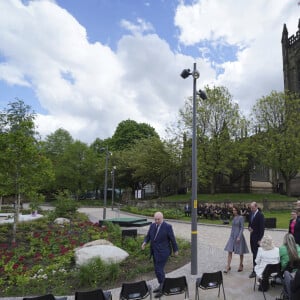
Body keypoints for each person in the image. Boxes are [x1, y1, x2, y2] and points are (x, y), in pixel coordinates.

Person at [141, 212, 178, 297]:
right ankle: (162, 284)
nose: (157, 221)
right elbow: (148, 236)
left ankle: (162, 288)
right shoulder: (152, 226)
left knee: (159, 269)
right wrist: (144, 242)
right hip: (154, 251)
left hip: (163, 252)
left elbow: (172, 239)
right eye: (155, 219)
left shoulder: (168, 227)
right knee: (157, 269)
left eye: (158, 219)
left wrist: (175, 250)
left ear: (162, 218)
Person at [223, 205, 249, 273]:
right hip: (232, 236)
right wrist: (231, 236)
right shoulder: (233, 217)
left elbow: (242, 228)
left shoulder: (241, 218)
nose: (233, 211)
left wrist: (239, 237)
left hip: (239, 236)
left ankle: (241, 265)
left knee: (240, 251)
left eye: (235, 210)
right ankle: (228, 266)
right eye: (233, 210)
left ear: (237, 210)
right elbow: (232, 228)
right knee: (229, 250)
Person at [248, 202, 265, 278]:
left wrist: (260, 239)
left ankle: (255, 271)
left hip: (257, 238)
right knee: (254, 253)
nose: (251, 209)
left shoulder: (260, 215)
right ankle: (257, 268)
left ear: (256, 207)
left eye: (252, 208)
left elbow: (262, 229)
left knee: (256, 254)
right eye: (251, 208)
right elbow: (250, 224)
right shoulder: (251, 214)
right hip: (252, 237)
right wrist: (249, 228)